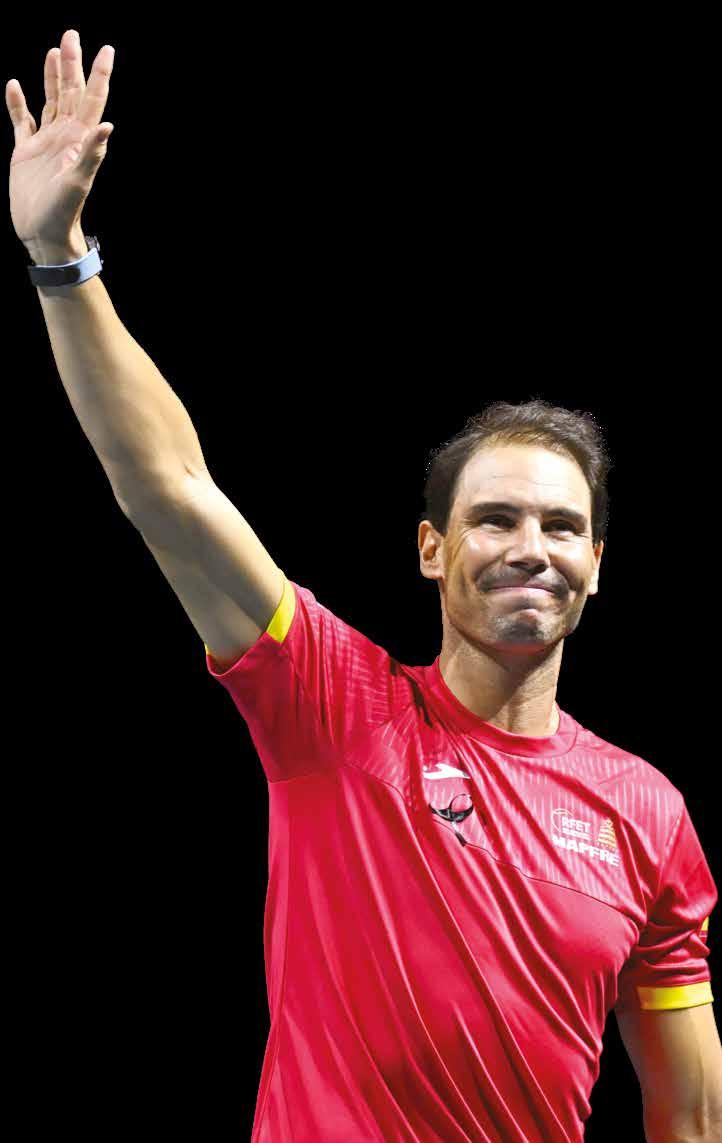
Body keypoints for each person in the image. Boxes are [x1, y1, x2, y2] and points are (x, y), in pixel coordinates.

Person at [7, 29, 722, 1143]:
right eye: (494, 518)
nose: (530, 547)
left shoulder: (648, 813)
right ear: (432, 549)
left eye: (561, 526)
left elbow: (687, 1114)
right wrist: (63, 260)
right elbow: (169, 488)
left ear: (596, 565)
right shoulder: (335, 707)